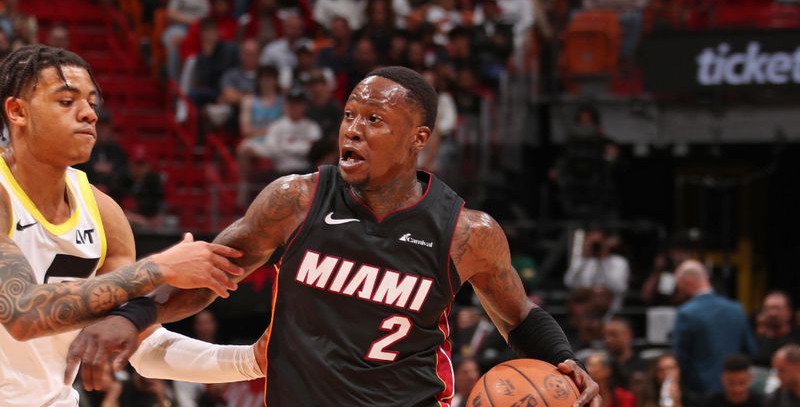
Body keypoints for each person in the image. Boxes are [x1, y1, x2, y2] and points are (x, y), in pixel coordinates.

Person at [69, 66, 601, 407]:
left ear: (418, 139)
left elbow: (519, 317)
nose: (353, 128)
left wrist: (563, 360)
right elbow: (208, 277)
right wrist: (132, 317)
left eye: (374, 119)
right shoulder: (294, 200)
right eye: (349, 115)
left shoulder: (468, 233)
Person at [0, 45, 247, 406]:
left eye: (92, 103)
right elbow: (22, 313)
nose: (88, 115)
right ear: (18, 111)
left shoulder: (102, 211)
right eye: (67, 102)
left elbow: (143, 345)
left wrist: (253, 359)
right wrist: (159, 268)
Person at [672, 260, 756, 395]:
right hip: (735, 393)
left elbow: (680, 359)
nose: (678, 290)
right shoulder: (737, 309)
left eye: (679, 285)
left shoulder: (686, 313)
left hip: (700, 393)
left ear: (687, 281)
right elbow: (750, 351)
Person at [756, 292, 800, 367]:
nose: (773, 313)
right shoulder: (756, 340)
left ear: (789, 311)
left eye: (777, 308)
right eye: (768, 308)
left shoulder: (797, 341)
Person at [603, 317, 647, 389]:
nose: (608, 340)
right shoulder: (604, 367)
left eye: (613, 335)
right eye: (605, 336)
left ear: (628, 335)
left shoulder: (643, 367)